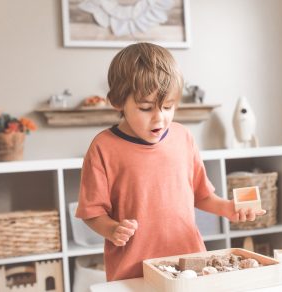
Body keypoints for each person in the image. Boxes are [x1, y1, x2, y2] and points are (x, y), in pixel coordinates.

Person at [76, 42, 265, 281]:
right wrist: (112, 230)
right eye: (145, 108)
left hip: (189, 264)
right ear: (118, 101)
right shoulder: (103, 147)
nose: (159, 118)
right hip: (133, 271)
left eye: (168, 107)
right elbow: (91, 212)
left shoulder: (183, 137)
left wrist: (227, 208)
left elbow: (202, 195)